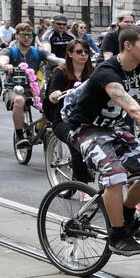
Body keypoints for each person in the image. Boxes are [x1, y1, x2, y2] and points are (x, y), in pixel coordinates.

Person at [62, 25, 140, 256]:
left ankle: (126, 213)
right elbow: (133, 109)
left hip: (113, 128)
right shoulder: (107, 71)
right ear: (128, 45)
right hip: (86, 130)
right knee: (115, 175)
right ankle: (116, 234)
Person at [0, 23, 63, 146]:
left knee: (54, 98)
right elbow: (3, 60)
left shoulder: (37, 51)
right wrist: (6, 65)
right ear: (16, 36)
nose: (27, 38)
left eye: (30, 35)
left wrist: (68, 63)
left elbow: (54, 59)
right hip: (13, 88)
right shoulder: (9, 51)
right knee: (18, 101)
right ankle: (19, 136)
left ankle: (41, 127)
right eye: (23, 35)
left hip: (34, 88)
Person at [44, 37, 95, 182]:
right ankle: (81, 183)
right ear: (70, 54)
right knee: (76, 141)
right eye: (79, 51)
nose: (84, 54)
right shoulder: (60, 72)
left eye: (86, 51)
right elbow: (52, 95)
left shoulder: (92, 72)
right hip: (62, 119)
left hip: (86, 117)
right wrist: (56, 95)